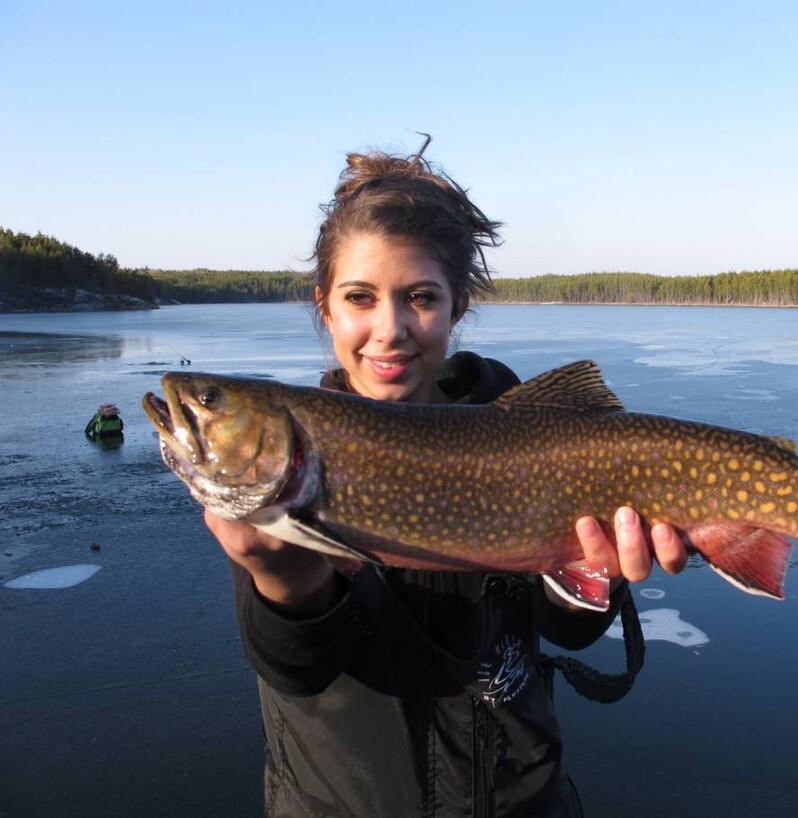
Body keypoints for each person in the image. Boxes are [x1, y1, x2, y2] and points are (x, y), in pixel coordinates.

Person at [204, 141, 688, 816]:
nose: (390, 329)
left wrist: (594, 580)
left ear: (458, 305)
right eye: (359, 298)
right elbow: (297, 668)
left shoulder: (534, 438)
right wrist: (287, 579)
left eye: (420, 298)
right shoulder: (301, 458)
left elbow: (566, 628)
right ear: (325, 306)